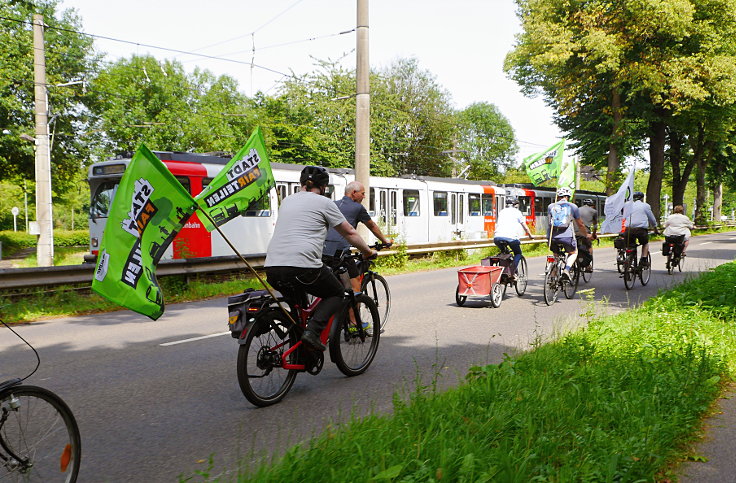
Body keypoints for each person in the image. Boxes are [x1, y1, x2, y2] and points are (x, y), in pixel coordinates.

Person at [264, 166, 376, 351]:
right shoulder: (324, 203)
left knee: (297, 313)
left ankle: (299, 354)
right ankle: (313, 333)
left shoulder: (287, 201)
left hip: (273, 267)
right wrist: (367, 251)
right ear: (324, 187)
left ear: (302, 184)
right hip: (303, 266)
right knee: (337, 293)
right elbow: (349, 232)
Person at [322, 181, 393, 294]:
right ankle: (354, 310)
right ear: (354, 193)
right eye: (363, 193)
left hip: (323, 251)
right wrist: (385, 241)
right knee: (355, 289)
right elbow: (372, 226)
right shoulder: (357, 207)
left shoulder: (333, 204)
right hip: (340, 254)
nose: (364, 197)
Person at [547, 187, 591, 280]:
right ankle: (566, 270)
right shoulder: (573, 206)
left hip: (552, 237)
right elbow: (580, 224)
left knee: (556, 254)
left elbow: (549, 223)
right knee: (574, 252)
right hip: (567, 237)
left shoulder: (551, 206)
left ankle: (553, 274)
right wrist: (585, 234)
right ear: (568, 197)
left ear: (558, 196)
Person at [492, 197, 533, 277]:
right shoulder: (517, 212)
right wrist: (530, 235)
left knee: (504, 252)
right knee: (518, 253)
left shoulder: (502, 211)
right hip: (511, 238)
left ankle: (503, 269)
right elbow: (524, 226)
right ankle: (512, 271)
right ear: (515, 205)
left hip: (497, 237)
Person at [621, 191, 658, 267]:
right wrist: (655, 228)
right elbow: (652, 219)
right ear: (642, 198)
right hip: (641, 230)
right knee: (645, 243)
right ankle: (643, 259)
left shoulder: (627, 205)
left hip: (629, 229)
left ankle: (628, 260)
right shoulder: (645, 206)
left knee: (630, 245)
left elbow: (622, 216)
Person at [574, 199, 598, 272]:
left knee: (574, 248)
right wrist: (593, 235)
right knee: (588, 246)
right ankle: (588, 265)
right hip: (585, 232)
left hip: (573, 232)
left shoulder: (576, 210)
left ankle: (572, 263)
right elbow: (595, 226)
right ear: (593, 205)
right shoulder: (594, 211)